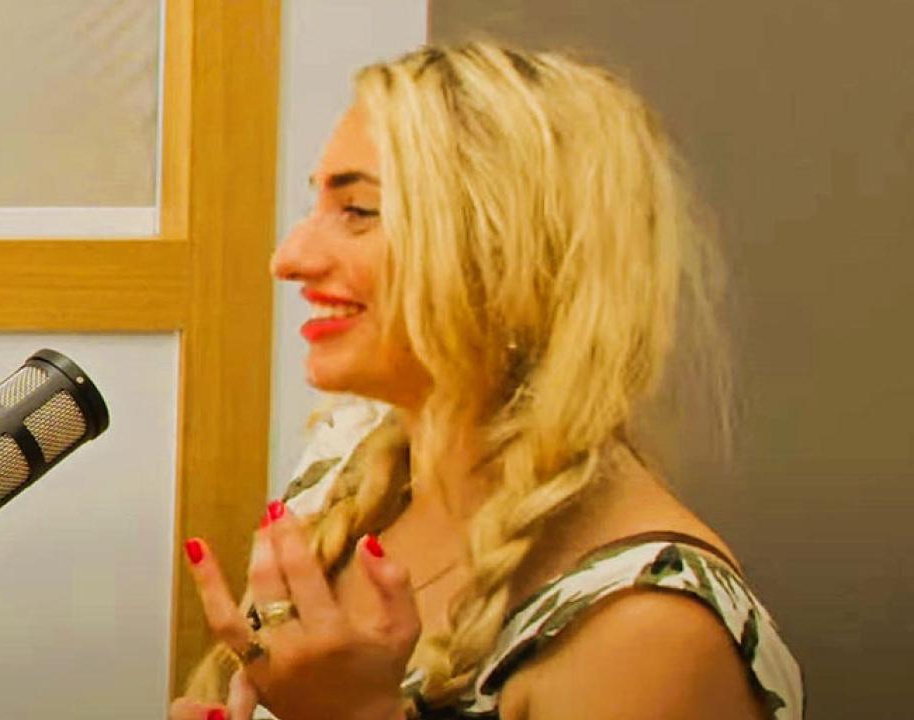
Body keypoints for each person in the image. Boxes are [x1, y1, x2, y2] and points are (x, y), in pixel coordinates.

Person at [169, 40, 804, 720]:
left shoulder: (651, 629)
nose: (289, 258)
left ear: (507, 256)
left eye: (357, 212)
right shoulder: (347, 468)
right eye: (315, 205)